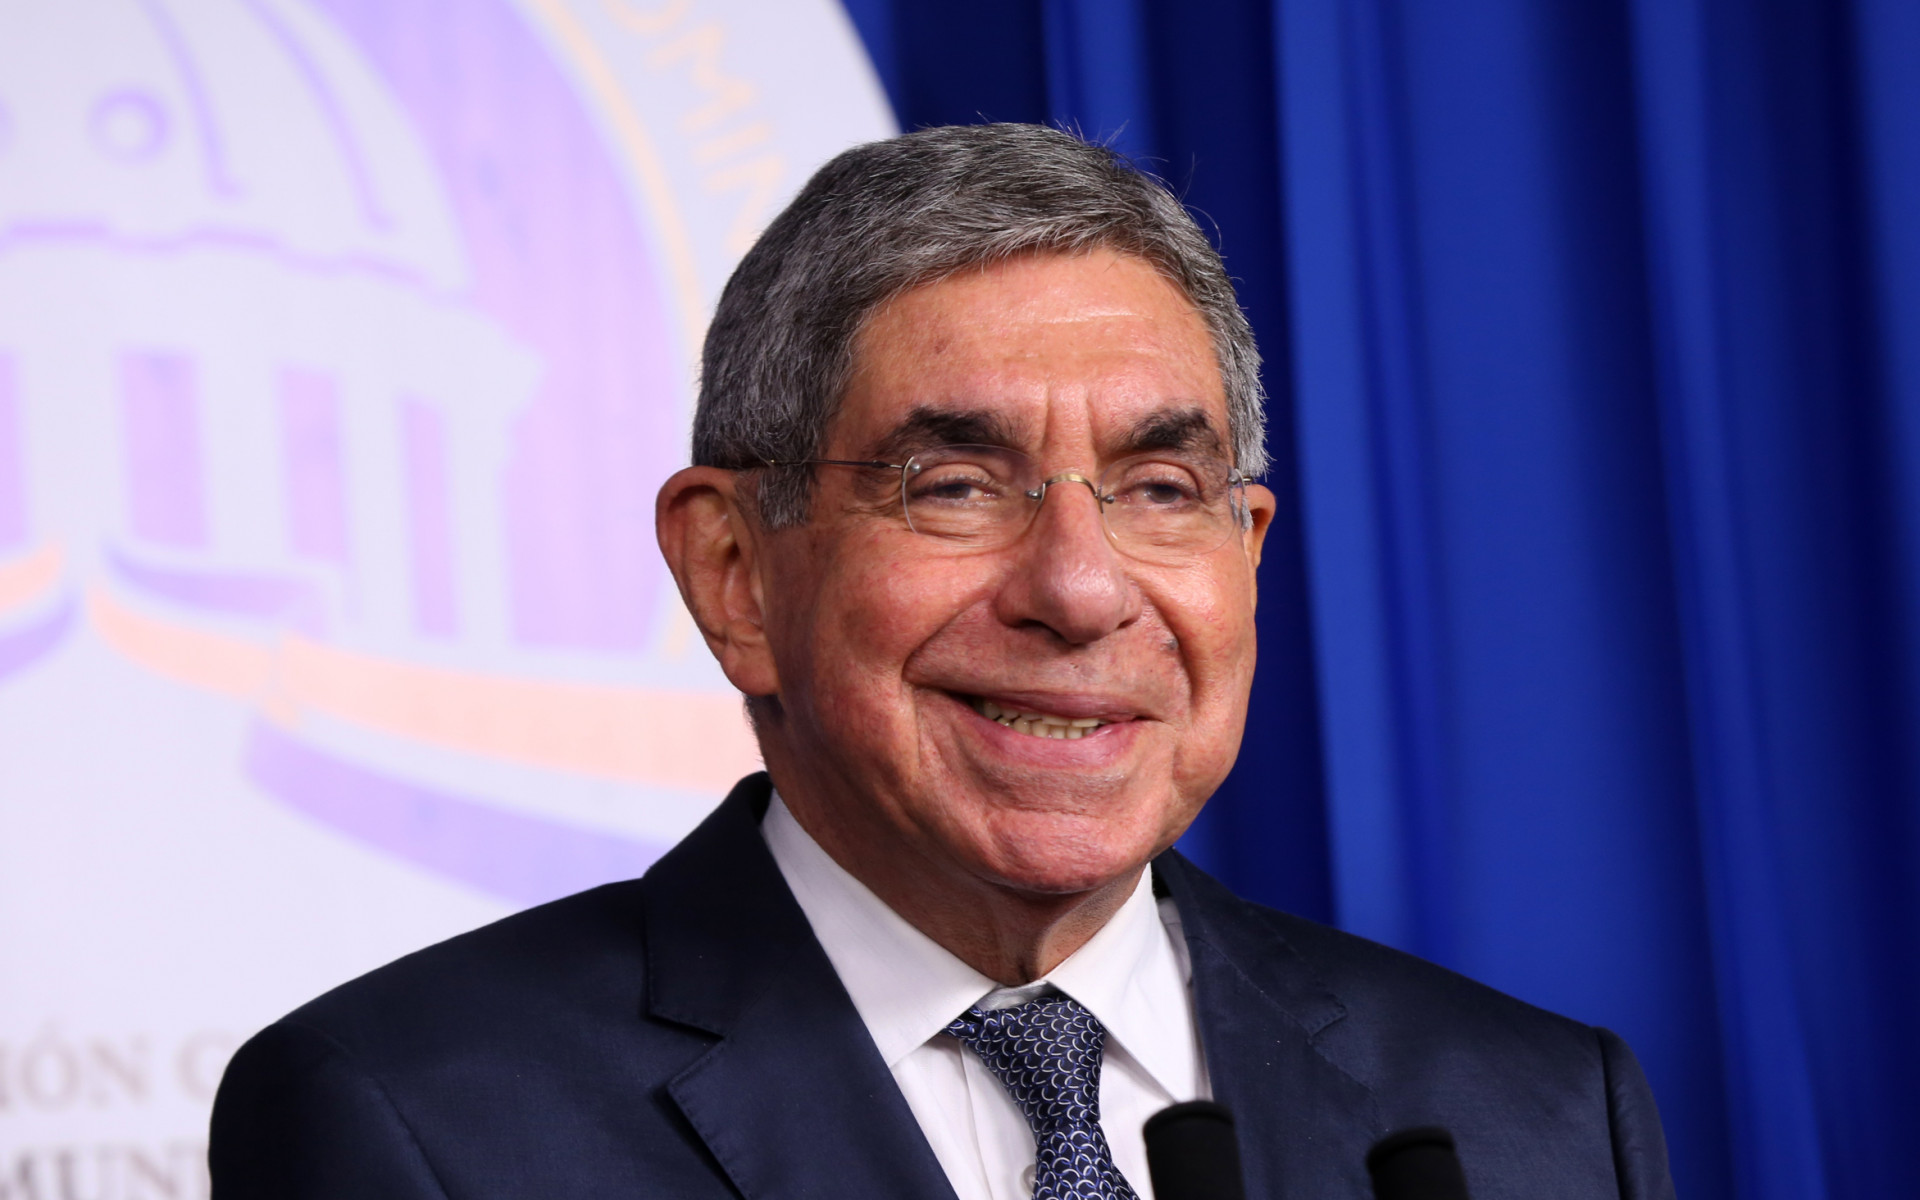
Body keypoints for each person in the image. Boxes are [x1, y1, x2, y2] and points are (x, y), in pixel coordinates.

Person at [210, 124, 1675, 1200]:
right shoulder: (414, 1125)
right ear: (735, 573)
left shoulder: (1537, 1122)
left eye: (1161, 490)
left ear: (1247, 554)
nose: (1081, 589)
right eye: (956, 485)